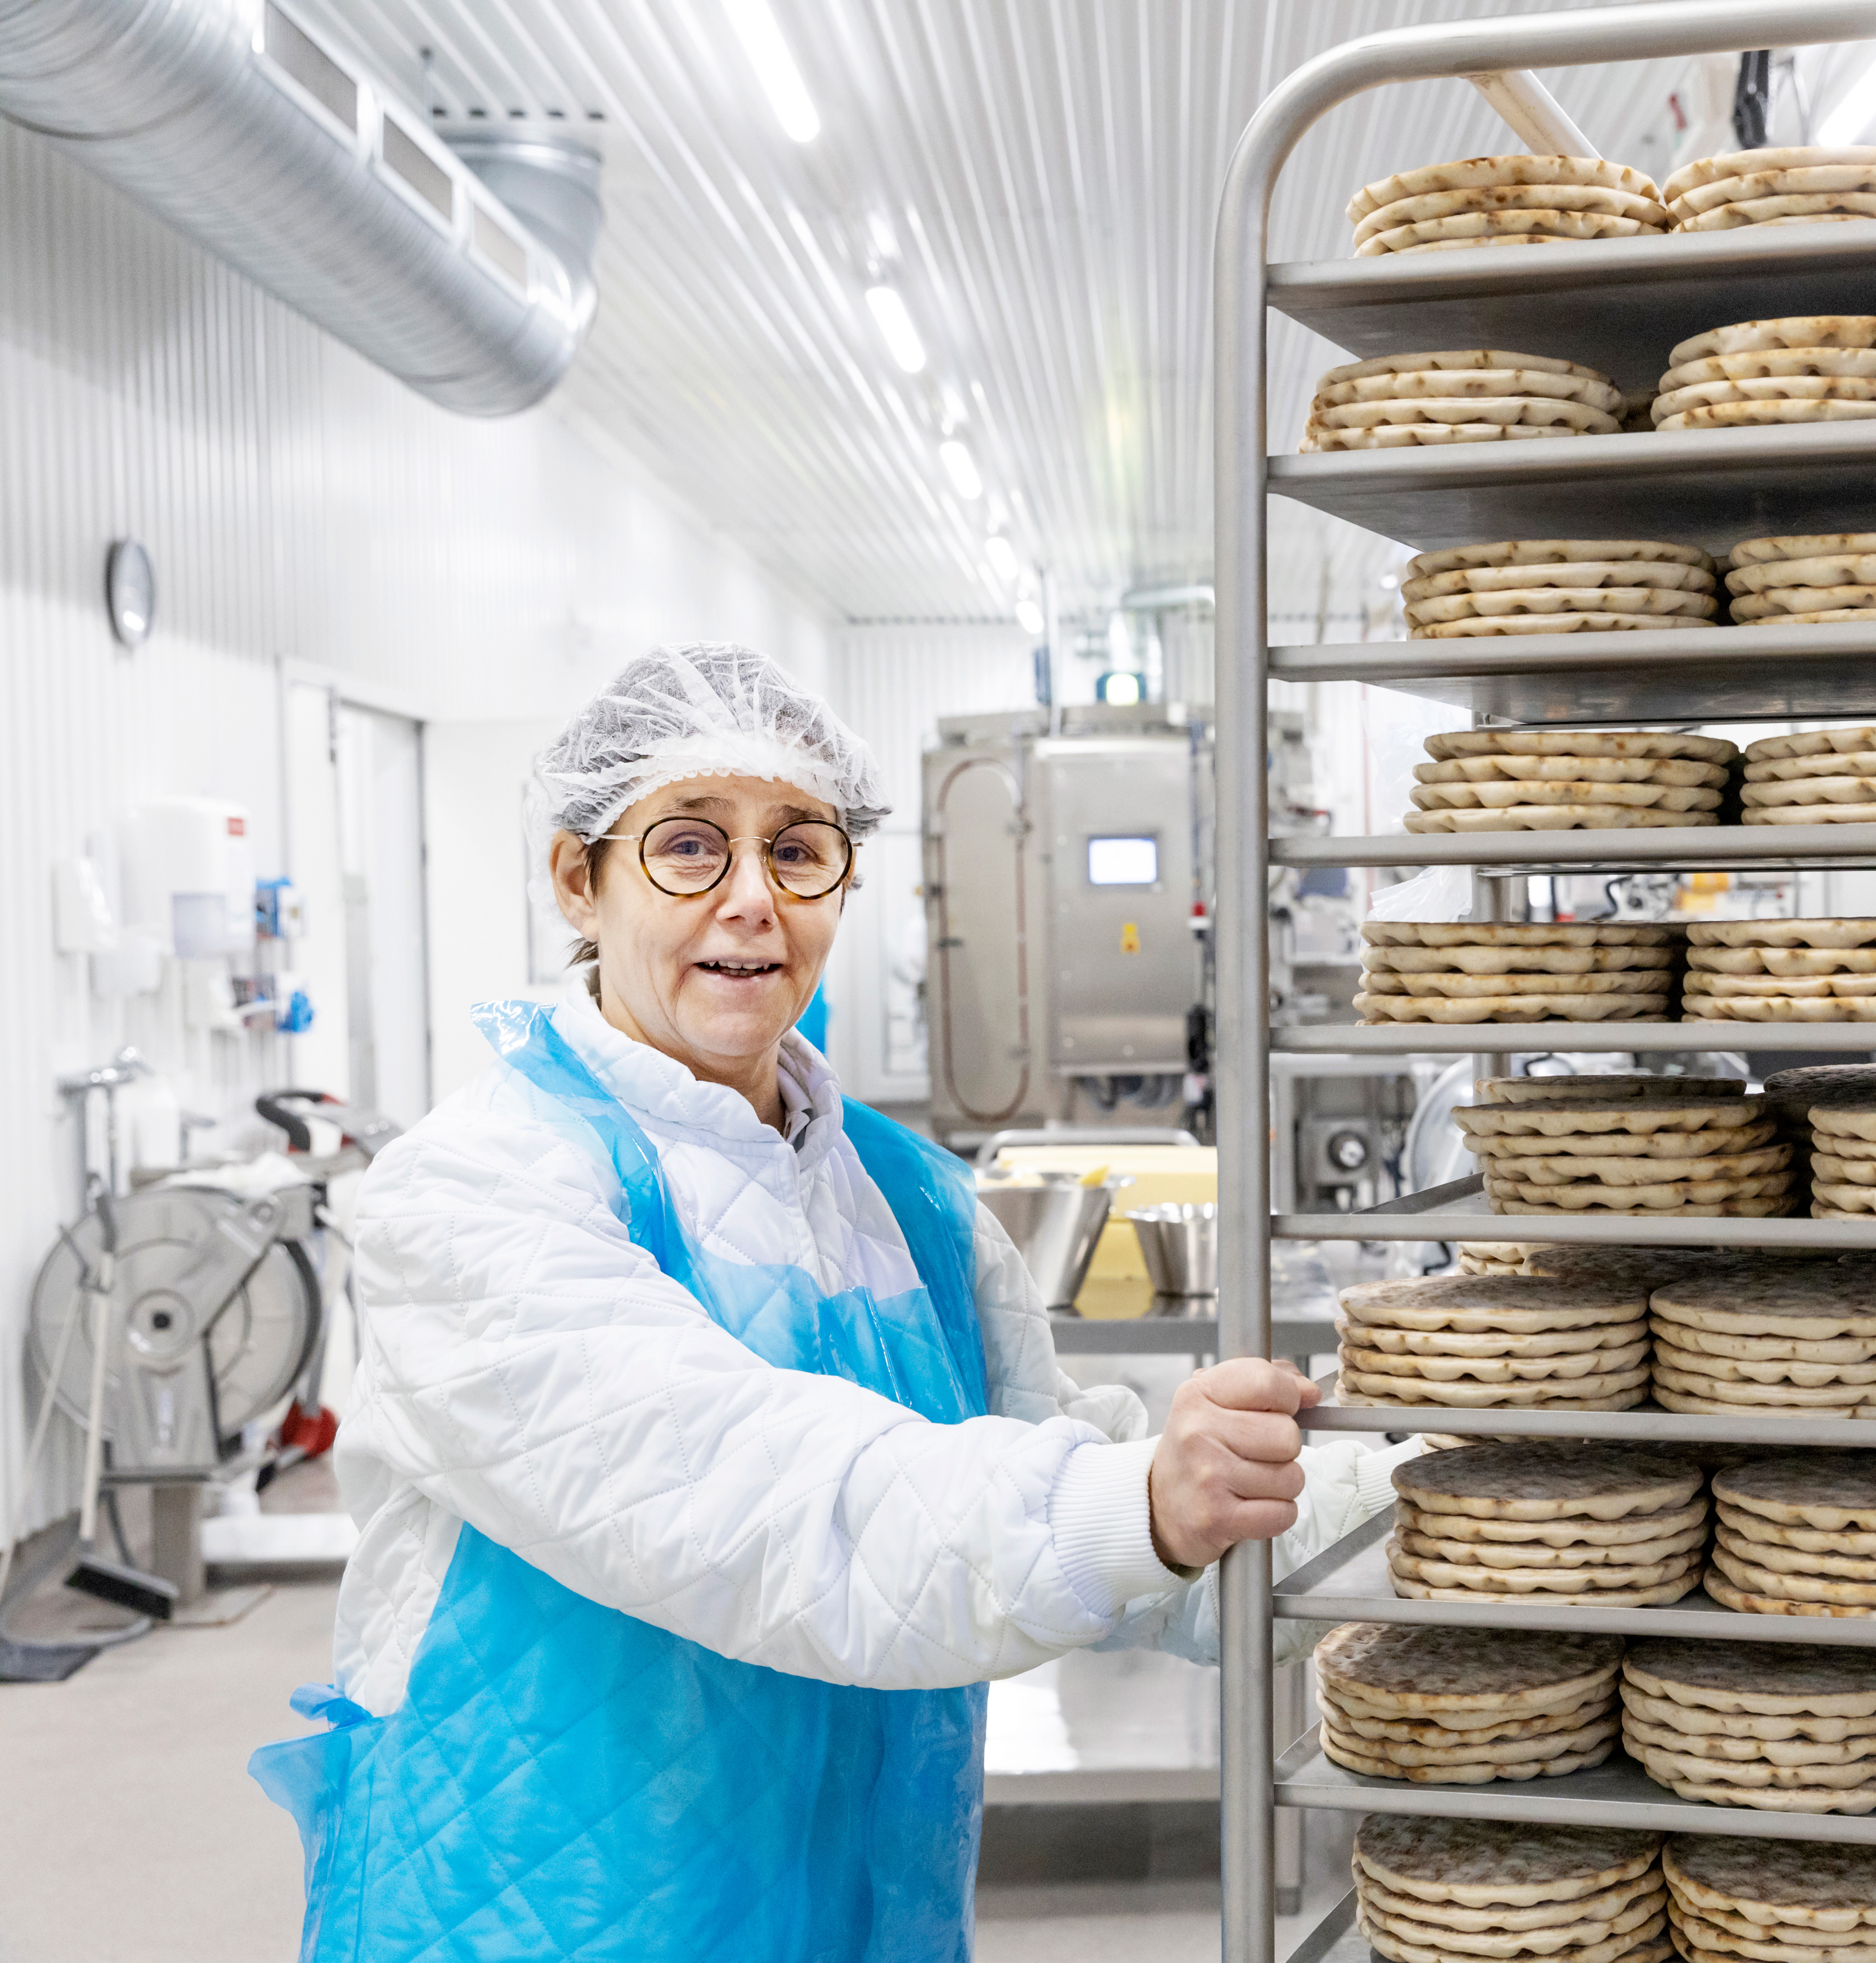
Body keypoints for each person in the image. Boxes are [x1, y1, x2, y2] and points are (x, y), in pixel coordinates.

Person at [249, 644, 1407, 1959]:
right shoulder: (475, 1190)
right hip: (547, 1905)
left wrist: (1418, 1494)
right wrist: (1137, 1502)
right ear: (580, 876)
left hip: (861, 1900)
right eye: (690, 847)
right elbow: (764, 1504)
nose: (751, 900)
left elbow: (1086, 1498)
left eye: (798, 850)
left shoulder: (906, 1195)